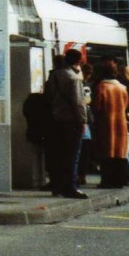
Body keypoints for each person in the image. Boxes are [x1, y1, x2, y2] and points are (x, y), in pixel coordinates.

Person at [46, 49, 89, 199]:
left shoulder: (55, 76)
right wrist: (83, 120)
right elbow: (78, 102)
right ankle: (70, 187)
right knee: (72, 155)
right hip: (71, 120)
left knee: (58, 154)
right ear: (78, 61)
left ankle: (57, 186)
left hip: (55, 119)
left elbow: (49, 96)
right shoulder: (74, 78)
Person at [92, 60, 129, 188]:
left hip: (106, 123)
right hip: (120, 123)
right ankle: (119, 180)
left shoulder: (102, 87)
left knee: (106, 151)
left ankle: (107, 181)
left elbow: (97, 106)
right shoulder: (122, 87)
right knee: (119, 152)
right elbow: (125, 105)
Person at [77, 62, 94, 187]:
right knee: (84, 150)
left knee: (79, 150)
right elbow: (88, 102)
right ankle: (82, 175)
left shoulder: (79, 85)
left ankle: (79, 175)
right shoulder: (86, 87)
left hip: (81, 120)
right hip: (86, 121)